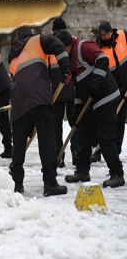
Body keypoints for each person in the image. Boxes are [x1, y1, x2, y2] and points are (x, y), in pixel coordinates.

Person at [8, 28, 70, 196]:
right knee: (47, 140)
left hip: (19, 103)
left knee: (19, 145)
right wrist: (66, 68)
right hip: (39, 98)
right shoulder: (37, 40)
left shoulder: (13, 58)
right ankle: (50, 184)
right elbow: (57, 44)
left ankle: (17, 184)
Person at [61, 29, 125, 188]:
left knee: (105, 137)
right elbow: (79, 88)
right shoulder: (69, 59)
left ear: (68, 44)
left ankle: (117, 174)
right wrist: (76, 112)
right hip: (90, 102)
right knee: (83, 135)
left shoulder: (83, 47)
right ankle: (82, 171)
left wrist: (96, 82)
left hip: (106, 98)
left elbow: (102, 60)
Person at [89, 21, 127, 163]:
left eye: (107, 33)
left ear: (112, 31)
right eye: (103, 34)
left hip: (125, 91)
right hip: (110, 93)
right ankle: (98, 151)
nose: (105, 36)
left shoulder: (122, 36)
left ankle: (116, 152)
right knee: (106, 122)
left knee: (120, 123)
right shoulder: (99, 50)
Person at [49, 18, 77, 168]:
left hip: (62, 90)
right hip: (65, 91)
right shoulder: (69, 43)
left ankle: (62, 156)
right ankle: (72, 155)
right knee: (72, 125)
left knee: (58, 126)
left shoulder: (52, 45)